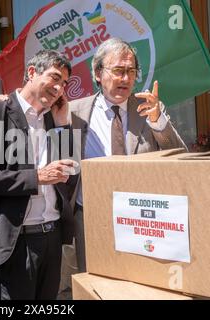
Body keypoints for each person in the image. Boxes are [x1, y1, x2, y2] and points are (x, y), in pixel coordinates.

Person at [0, 50, 78, 300]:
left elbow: (70, 178)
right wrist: (36, 177)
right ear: (32, 72)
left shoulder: (54, 120)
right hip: (15, 241)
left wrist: (63, 128)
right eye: (55, 78)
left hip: (52, 238)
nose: (59, 88)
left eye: (64, 84)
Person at [69, 37, 187, 273]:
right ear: (98, 73)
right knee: (95, 280)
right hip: (92, 215)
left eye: (131, 71)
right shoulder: (74, 112)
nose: (125, 78)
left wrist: (158, 122)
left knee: (140, 279)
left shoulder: (149, 108)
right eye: (118, 71)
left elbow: (180, 157)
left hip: (142, 218)